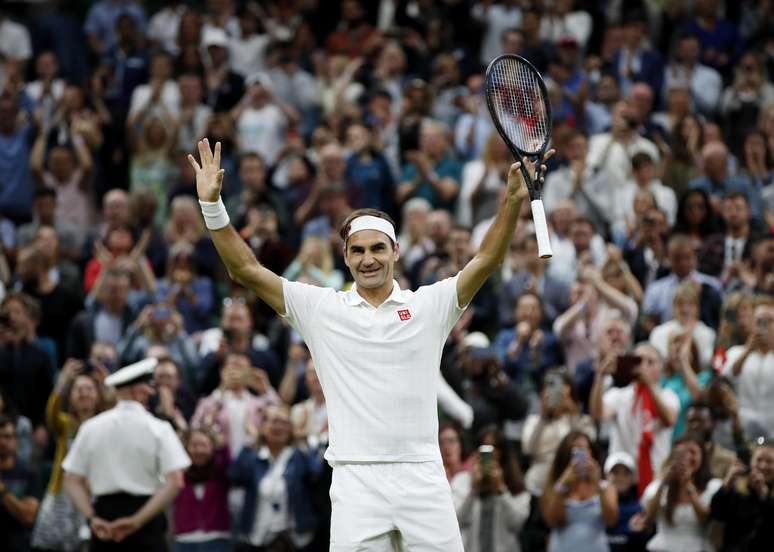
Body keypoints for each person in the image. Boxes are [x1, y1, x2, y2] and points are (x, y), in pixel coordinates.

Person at [189, 137, 552, 550]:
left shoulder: (428, 306)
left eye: (378, 248)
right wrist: (212, 207)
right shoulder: (320, 308)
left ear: (396, 251)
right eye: (357, 250)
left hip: (423, 476)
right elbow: (246, 269)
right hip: (355, 480)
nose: (368, 259)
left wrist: (511, 200)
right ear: (344, 257)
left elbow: (486, 260)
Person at [62, 358, 191, 551]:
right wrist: (137, 521)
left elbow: (71, 480)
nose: (152, 392)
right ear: (139, 391)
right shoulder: (159, 428)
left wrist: (92, 518)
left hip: (104, 521)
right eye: (149, 387)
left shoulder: (91, 427)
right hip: (147, 519)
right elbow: (175, 481)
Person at [30, 358, 107, 551]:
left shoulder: (106, 423)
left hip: (94, 494)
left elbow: (113, 406)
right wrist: (63, 381)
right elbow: (51, 414)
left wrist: (105, 381)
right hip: (62, 495)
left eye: (89, 389)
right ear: (70, 396)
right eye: (78, 389)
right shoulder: (65, 424)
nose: (84, 394)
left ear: (98, 395)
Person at [228, 404, 323, 551]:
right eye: (273, 421)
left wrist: (304, 440)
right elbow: (234, 474)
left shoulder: (299, 456)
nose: (278, 427)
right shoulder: (253, 456)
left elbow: (316, 474)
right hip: (258, 537)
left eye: (284, 423)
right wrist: (252, 439)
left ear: (291, 429)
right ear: (263, 427)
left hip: (295, 538)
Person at [590, 343, 679, 495]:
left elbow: (669, 419)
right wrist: (600, 376)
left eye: (650, 362)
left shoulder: (668, 396)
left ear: (662, 369)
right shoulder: (619, 395)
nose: (643, 367)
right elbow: (597, 414)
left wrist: (649, 385)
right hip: (622, 480)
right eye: (639, 361)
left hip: (655, 479)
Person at [640, 435, 723, 552]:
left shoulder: (714, 486)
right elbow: (648, 520)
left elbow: (706, 519)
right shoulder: (658, 486)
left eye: (692, 452)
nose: (687, 458)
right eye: (681, 453)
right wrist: (664, 483)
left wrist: (688, 485)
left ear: (702, 457)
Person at [456, 425, 531, 552]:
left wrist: (501, 490)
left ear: (503, 452)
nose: (490, 454)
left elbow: (517, 524)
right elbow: (458, 521)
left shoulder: (516, 485)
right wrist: (473, 490)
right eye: (484, 447)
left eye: (494, 448)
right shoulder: (463, 480)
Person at [541, 430, 619, 552]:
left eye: (584, 450)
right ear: (566, 455)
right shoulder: (555, 485)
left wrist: (597, 484)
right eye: (575, 451)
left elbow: (611, 520)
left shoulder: (605, 486)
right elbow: (551, 520)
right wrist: (563, 484)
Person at [522, 370, 596, 495]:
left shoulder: (582, 420)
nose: (555, 394)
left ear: (570, 392)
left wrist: (573, 414)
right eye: (550, 388)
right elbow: (528, 449)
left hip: (572, 488)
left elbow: (590, 445)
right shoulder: (534, 421)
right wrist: (543, 417)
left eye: (560, 390)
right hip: (538, 486)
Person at [722, 297, 774, 440]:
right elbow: (727, 377)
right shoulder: (736, 353)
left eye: (770, 321)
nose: (765, 327)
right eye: (759, 322)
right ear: (752, 323)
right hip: (744, 432)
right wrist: (749, 349)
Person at [173, 427, 231, 552]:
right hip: (185, 541)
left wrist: (223, 446)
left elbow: (230, 464)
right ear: (186, 448)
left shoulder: (220, 473)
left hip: (217, 539)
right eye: (194, 445)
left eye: (204, 445)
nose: (199, 450)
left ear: (212, 448)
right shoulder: (179, 474)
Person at [710, 441, 774, 551]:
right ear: (751, 462)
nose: (763, 466)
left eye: (769, 462)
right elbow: (716, 513)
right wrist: (728, 483)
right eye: (759, 460)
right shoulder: (737, 490)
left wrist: (764, 496)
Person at [0, 414, 41, 552]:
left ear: (16, 441)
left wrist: (3, 491)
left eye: (7, 437)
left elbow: (28, 516)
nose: (2, 442)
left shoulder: (29, 473)